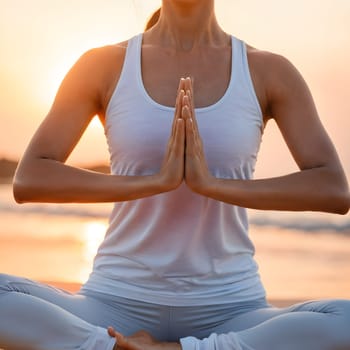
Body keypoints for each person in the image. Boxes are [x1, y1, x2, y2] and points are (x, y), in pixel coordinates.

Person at [1, 1, 350, 349]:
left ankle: (178, 348)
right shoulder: (104, 64)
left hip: (230, 309)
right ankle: (109, 344)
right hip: (114, 301)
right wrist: (155, 181)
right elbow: (30, 177)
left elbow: (333, 188)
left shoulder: (269, 71)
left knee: (343, 319)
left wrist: (211, 185)